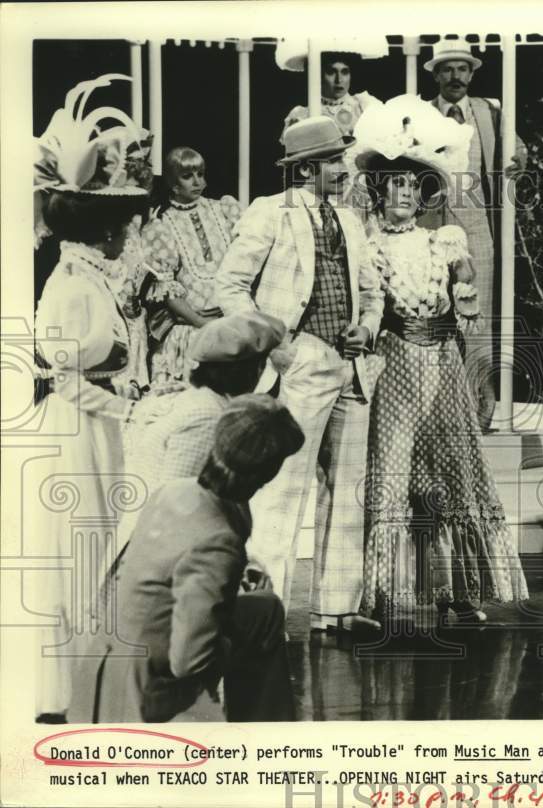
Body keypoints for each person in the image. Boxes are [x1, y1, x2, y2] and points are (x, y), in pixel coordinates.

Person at [349, 95, 528, 622]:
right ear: (380, 192)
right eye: (395, 185)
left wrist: (464, 290)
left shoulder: (444, 239)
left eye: (412, 185)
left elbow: (466, 287)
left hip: (443, 360)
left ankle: (459, 590)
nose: (404, 193)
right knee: (397, 472)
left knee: (453, 469)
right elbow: (370, 302)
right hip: (396, 358)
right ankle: (388, 593)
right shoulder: (368, 243)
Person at [215, 115, 385, 634]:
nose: (345, 168)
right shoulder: (271, 213)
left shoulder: (351, 220)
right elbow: (230, 284)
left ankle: (336, 609)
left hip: (350, 366)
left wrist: (366, 327)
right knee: (282, 490)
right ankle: (266, 610)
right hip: (300, 361)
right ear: (308, 168)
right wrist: (276, 346)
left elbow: (372, 290)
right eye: (335, 160)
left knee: (348, 487)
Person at [29, 74, 152, 721]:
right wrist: (126, 406)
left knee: (101, 543)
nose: (128, 235)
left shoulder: (95, 278)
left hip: (98, 427)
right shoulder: (72, 284)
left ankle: (91, 681)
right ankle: (68, 689)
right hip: (76, 429)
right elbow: (66, 375)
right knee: (78, 549)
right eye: (122, 224)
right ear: (102, 227)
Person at [71, 394, 304, 723]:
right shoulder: (218, 541)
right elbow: (189, 660)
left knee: (264, 610)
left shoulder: (173, 492)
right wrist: (223, 627)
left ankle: (263, 733)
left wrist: (229, 583)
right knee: (248, 632)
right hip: (146, 695)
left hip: (102, 671)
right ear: (266, 474)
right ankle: (265, 744)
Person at [422, 37, 527, 431]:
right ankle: (435, 416)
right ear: (435, 74)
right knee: (433, 311)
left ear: (471, 74)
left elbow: (516, 150)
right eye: (447, 69)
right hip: (431, 226)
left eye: (462, 68)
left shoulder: (489, 112)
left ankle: (478, 415)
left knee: (477, 318)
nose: (455, 76)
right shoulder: (420, 113)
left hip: (478, 227)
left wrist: (518, 160)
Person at [118, 311, 286, 549]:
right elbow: (176, 507)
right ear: (253, 370)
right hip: (155, 554)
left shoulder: (195, 399)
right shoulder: (207, 417)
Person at [141, 147, 242, 387]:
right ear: (173, 183)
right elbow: (167, 292)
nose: (197, 181)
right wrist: (202, 323)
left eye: (200, 173)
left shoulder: (224, 210)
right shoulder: (162, 226)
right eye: (188, 176)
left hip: (230, 320)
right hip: (191, 327)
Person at [280, 48, 377, 136]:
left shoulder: (363, 106)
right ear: (318, 75)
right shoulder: (302, 115)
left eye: (345, 72)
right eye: (331, 72)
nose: (339, 80)